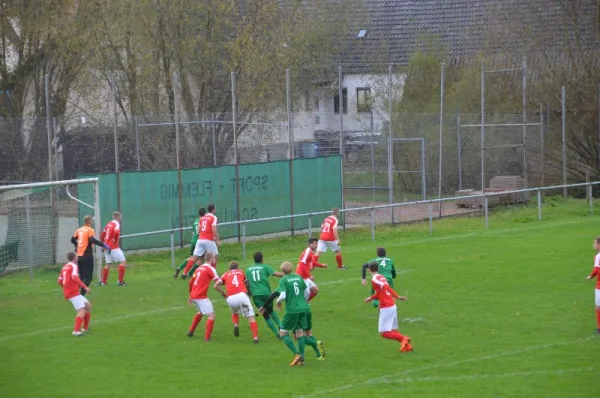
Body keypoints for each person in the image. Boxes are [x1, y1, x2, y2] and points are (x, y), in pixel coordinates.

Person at [259, 262, 312, 367]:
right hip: (303, 308)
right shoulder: (298, 277)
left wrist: (278, 301)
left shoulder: (283, 279)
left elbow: (283, 295)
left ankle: (297, 354)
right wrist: (303, 301)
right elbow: (307, 292)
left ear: (282, 271)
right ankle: (302, 359)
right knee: (299, 332)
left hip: (292, 310)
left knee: (283, 332)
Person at [363, 262, 412, 352]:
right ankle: (407, 346)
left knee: (384, 332)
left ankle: (404, 338)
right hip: (392, 305)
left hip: (386, 307)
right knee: (392, 329)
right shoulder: (381, 277)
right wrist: (371, 298)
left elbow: (385, 287)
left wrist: (397, 296)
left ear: (369, 270)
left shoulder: (374, 279)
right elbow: (380, 292)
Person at [214, 261, 259, 343]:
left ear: (229, 268)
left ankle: (236, 324)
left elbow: (215, 286)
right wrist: (249, 292)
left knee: (234, 312)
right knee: (251, 317)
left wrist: (223, 293)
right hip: (242, 296)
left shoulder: (226, 274)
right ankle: (255, 337)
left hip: (231, 298)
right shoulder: (241, 272)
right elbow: (247, 283)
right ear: (237, 267)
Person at [245, 252, 284, 338]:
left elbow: (247, 283)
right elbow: (276, 274)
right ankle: (281, 327)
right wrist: (286, 274)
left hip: (256, 295)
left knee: (265, 314)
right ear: (262, 259)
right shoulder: (265, 266)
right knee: (271, 311)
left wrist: (249, 292)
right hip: (266, 293)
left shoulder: (248, 270)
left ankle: (277, 334)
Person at [71, 215, 110, 295]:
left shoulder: (79, 229)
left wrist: (77, 245)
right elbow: (92, 240)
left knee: (81, 276)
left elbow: (72, 239)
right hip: (87, 255)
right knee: (88, 278)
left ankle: (75, 293)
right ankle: (81, 295)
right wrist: (103, 245)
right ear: (90, 221)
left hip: (79, 256)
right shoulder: (90, 229)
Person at [187, 253, 222, 341]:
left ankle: (190, 332)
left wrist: (190, 295)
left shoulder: (199, 268)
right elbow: (218, 282)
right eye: (214, 258)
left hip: (194, 295)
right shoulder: (210, 269)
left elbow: (190, 282)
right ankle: (207, 337)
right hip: (200, 296)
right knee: (212, 316)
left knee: (201, 312)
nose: (215, 259)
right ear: (211, 259)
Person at [57, 253, 92, 336]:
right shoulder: (74, 266)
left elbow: (59, 281)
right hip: (72, 292)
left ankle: (85, 328)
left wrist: (65, 288)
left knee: (88, 305)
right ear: (74, 258)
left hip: (71, 292)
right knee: (82, 310)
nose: (77, 257)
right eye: (76, 256)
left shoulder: (65, 266)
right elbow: (74, 277)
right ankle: (76, 331)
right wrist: (85, 287)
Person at [182, 204, 220, 276]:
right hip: (208, 240)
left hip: (200, 240)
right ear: (214, 209)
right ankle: (213, 274)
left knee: (194, 257)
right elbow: (214, 228)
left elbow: (199, 230)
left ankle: (184, 273)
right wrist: (217, 240)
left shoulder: (202, 218)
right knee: (214, 256)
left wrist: (204, 233)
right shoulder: (213, 217)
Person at [174, 207, 206, 279]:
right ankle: (189, 273)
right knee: (201, 259)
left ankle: (179, 268)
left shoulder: (195, 221)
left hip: (193, 241)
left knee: (191, 257)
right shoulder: (204, 220)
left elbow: (193, 233)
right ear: (205, 213)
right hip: (200, 241)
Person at [100, 211, 127, 286]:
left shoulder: (108, 224)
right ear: (119, 216)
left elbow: (102, 234)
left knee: (108, 263)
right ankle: (120, 281)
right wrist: (114, 240)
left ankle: (103, 282)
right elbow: (116, 232)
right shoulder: (116, 224)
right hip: (113, 246)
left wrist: (103, 244)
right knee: (123, 262)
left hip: (106, 246)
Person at [585, 237, 600, 333]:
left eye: (595, 243)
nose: (593, 245)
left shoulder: (598, 256)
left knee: (598, 307)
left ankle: (599, 328)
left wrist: (590, 276)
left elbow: (596, 270)